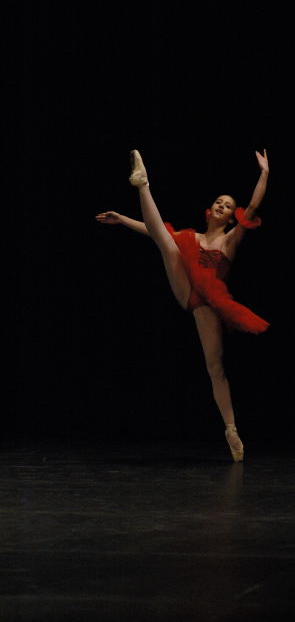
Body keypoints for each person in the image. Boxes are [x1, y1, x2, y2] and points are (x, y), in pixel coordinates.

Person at [95, 149, 270, 461]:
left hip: (208, 303)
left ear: (232, 216)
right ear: (209, 209)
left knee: (215, 367)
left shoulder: (229, 241)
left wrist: (265, 173)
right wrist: (122, 220)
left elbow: (254, 206)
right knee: (168, 242)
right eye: (219, 201)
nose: (222, 205)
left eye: (228, 205)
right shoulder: (192, 238)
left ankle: (230, 429)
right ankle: (143, 184)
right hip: (187, 290)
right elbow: (155, 231)